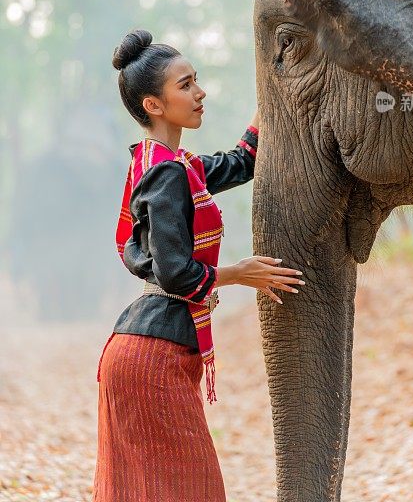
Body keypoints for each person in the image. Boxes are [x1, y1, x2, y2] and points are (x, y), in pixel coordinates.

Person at [92, 29, 304, 502]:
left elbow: (242, 162)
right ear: (154, 105)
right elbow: (175, 272)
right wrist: (240, 273)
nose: (199, 92)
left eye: (196, 80)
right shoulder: (166, 172)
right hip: (151, 361)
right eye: (185, 85)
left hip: (147, 352)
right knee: (195, 491)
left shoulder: (171, 164)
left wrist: (273, 89)